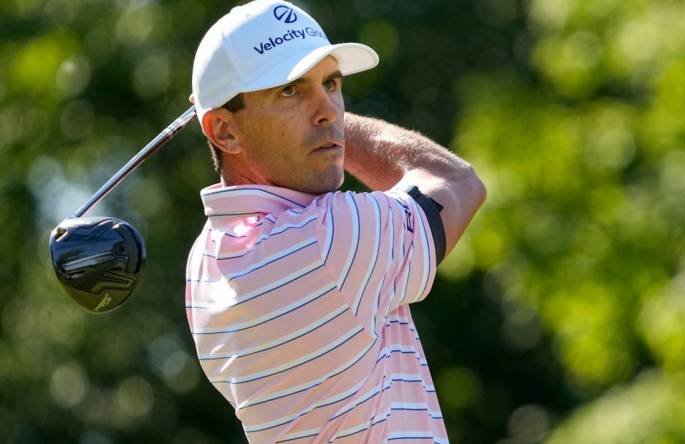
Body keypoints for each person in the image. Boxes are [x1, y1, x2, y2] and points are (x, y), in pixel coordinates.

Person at [185, 1, 486, 442]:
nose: (328, 109)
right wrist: (333, 127)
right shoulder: (328, 240)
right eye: (290, 91)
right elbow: (455, 181)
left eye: (331, 84)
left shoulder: (204, 262)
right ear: (224, 131)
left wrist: (315, 120)